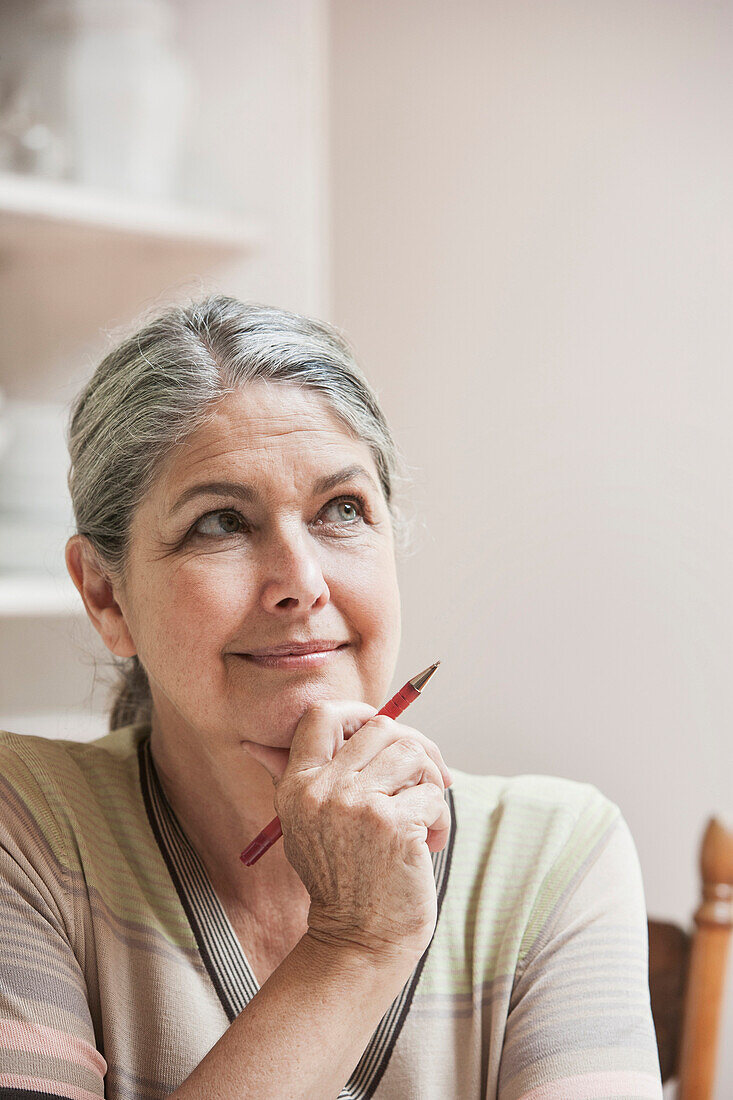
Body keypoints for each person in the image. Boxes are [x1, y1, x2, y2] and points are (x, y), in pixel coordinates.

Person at [0, 296, 663, 1100]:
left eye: (341, 510)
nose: (302, 583)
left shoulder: (554, 855)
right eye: (219, 523)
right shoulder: (24, 832)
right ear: (106, 595)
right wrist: (353, 947)